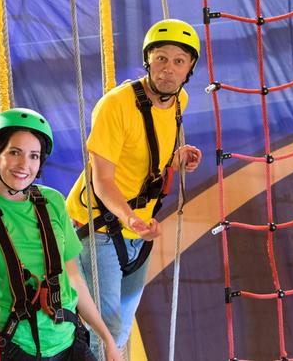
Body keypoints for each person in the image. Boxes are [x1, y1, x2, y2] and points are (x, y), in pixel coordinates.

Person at [65, 19, 203, 354]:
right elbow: (103, 179)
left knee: (120, 329)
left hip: (138, 230)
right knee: (104, 329)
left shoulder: (179, 101)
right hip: (99, 225)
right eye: (161, 58)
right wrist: (129, 218)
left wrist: (176, 158)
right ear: (148, 61)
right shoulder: (116, 105)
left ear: (189, 69)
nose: (168, 69)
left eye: (178, 61)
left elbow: (146, 153)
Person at [0, 108, 122, 361]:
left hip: (69, 342)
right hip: (16, 347)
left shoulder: (52, 202)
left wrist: (106, 337)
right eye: (14, 152)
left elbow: (73, 278)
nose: (24, 165)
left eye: (33, 156)